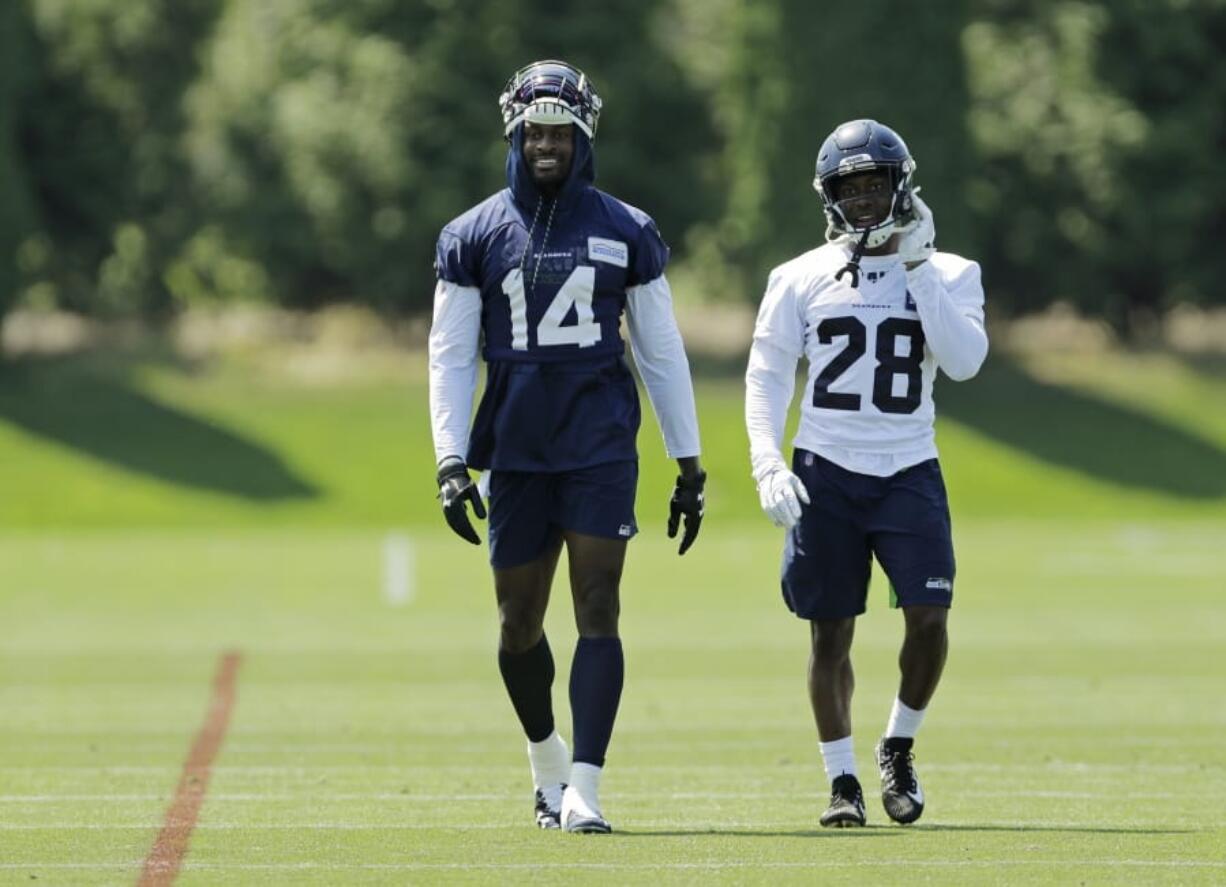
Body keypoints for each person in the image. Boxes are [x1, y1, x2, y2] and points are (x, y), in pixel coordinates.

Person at [428, 60, 705, 835]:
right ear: (516, 132)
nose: (547, 143)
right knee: (518, 621)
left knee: (599, 604)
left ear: (583, 135)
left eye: (561, 131)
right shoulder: (471, 234)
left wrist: (689, 463)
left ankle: (586, 784)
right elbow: (450, 356)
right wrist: (452, 460)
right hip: (515, 445)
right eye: (536, 130)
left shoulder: (627, 228)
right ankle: (546, 757)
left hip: (598, 440)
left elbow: (661, 351)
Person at [744, 119, 988, 827]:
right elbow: (765, 377)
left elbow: (965, 360)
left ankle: (899, 744)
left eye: (874, 184)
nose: (863, 200)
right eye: (849, 188)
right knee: (830, 633)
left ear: (900, 184)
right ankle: (842, 780)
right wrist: (767, 460)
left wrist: (916, 266)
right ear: (829, 195)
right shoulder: (797, 276)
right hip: (826, 469)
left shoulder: (950, 271)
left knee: (930, 617)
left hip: (909, 465)